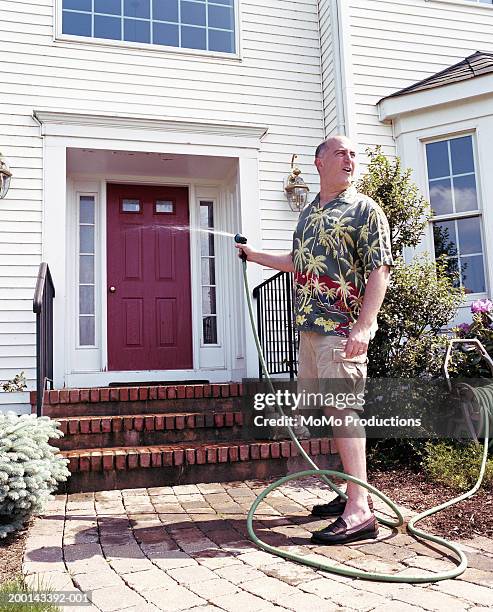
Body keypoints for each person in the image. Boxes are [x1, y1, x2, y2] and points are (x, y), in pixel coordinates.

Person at [235, 135, 393, 544]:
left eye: (353, 154)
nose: (350, 159)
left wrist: (365, 325)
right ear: (319, 162)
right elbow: (297, 262)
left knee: (344, 410)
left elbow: (380, 269)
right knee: (328, 411)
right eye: (341, 152)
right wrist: (254, 256)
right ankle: (350, 495)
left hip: (342, 329)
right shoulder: (308, 213)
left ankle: (361, 511)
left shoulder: (364, 210)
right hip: (310, 329)